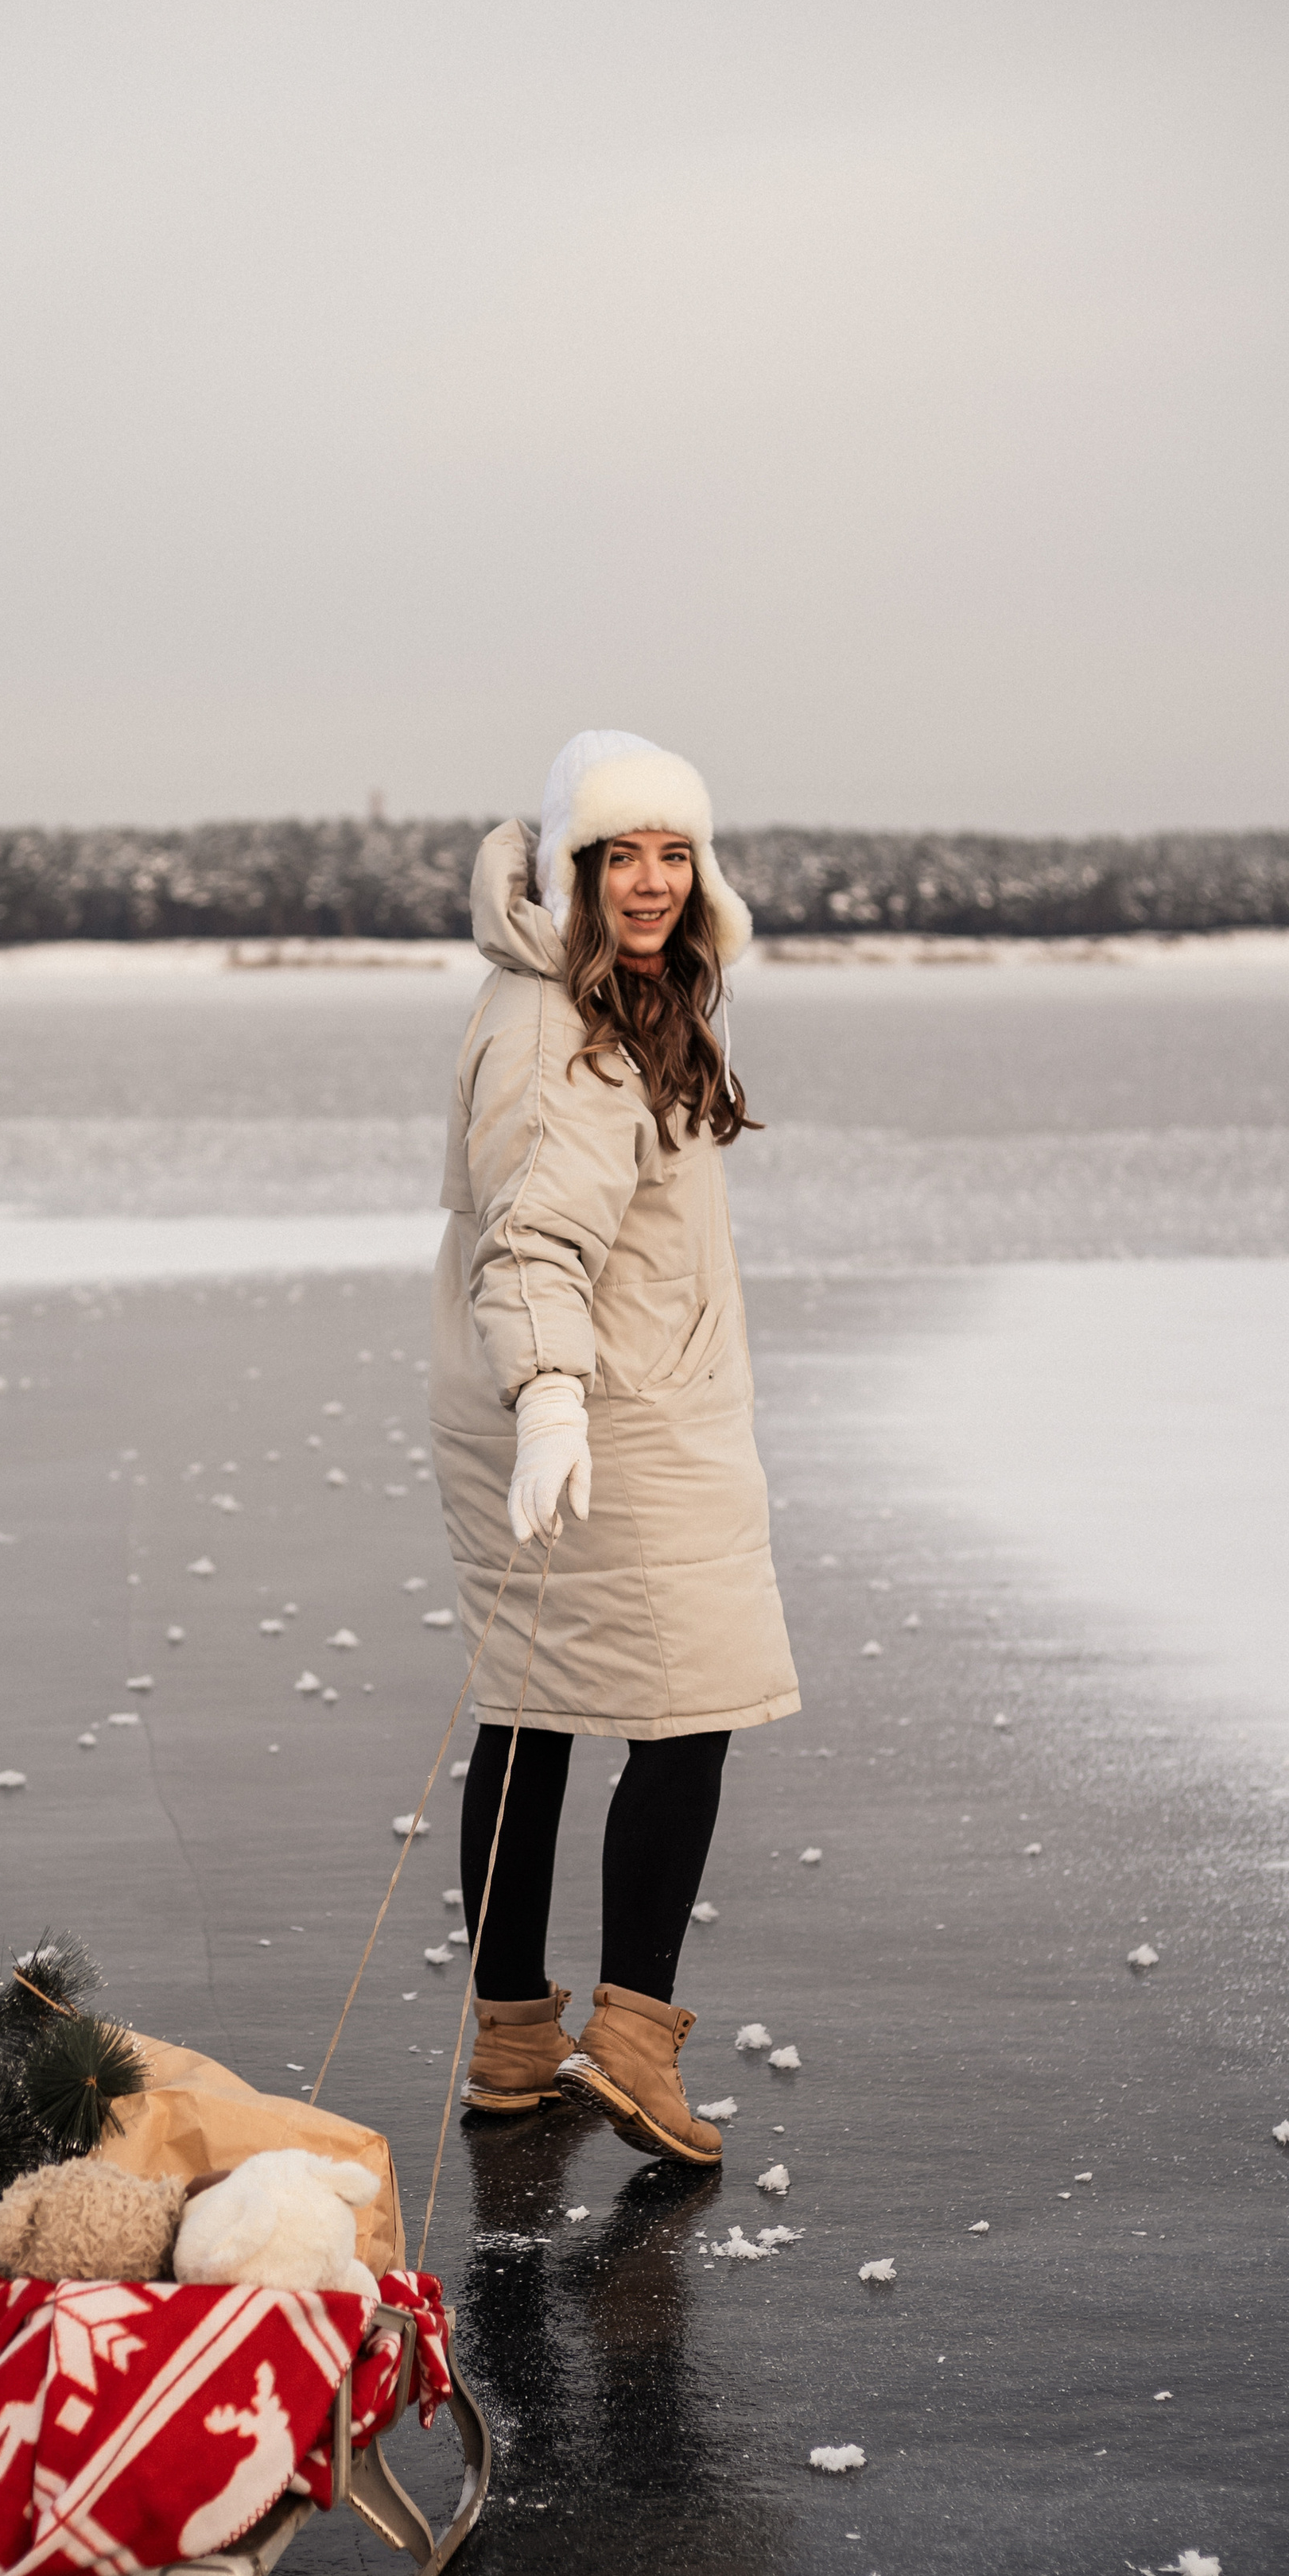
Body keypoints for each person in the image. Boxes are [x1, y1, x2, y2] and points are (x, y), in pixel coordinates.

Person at [427, 729, 799, 2169]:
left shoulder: (620, 996)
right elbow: (533, 1239)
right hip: (601, 1415)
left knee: (530, 1714)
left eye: (673, 854)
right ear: (570, 868)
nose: (650, 883)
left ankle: (515, 2040)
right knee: (686, 1708)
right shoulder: (558, 1028)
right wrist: (552, 1401)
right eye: (619, 856)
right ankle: (629, 2042)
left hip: (597, 1398)